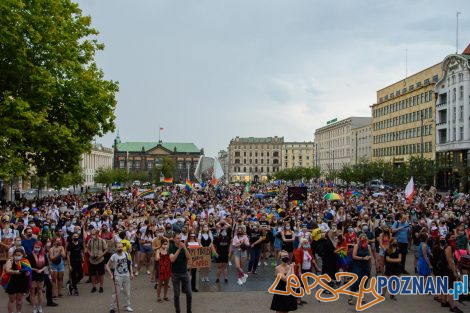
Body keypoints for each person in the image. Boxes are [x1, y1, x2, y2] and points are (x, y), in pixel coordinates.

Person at [106, 242, 134, 313]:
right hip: (117, 277)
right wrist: (111, 275)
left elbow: (130, 264)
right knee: (116, 293)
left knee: (127, 292)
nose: (120, 248)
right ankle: (112, 307)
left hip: (126, 275)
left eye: (121, 247)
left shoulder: (126, 254)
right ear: (116, 248)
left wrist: (131, 273)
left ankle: (127, 305)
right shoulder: (114, 256)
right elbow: (107, 266)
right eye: (118, 247)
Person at [169, 233, 192, 313]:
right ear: (174, 239)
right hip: (175, 274)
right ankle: (177, 311)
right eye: (178, 238)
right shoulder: (171, 247)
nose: (179, 240)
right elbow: (172, 260)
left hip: (184, 273)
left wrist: (184, 248)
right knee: (177, 294)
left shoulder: (184, 247)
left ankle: (189, 310)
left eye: (180, 238)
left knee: (189, 293)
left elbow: (189, 258)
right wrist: (179, 249)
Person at [4, 248, 31, 313]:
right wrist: (16, 271)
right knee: (12, 300)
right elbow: (7, 270)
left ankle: (19, 311)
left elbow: (29, 270)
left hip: (22, 282)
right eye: (16, 255)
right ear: (13, 255)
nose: (17, 256)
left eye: (19, 255)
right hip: (12, 282)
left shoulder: (25, 261)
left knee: (19, 300)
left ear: (22, 255)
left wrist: (28, 273)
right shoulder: (10, 261)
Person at [348, 234, 372, 305]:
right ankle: (351, 296)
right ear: (359, 239)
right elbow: (354, 256)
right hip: (357, 265)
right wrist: (362, 258)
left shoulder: (368, 246)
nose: (363, 240)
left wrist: (369, 263)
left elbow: (370, 256)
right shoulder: (356, 246)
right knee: (356, 280)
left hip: (365, 266)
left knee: (364, 281)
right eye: (362, 238)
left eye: (365, 238)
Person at [28, 242, 49, 313]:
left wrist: (41, 270)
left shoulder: (43, 255)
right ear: (33, 247)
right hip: (32, 274)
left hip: (40, 274)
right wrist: (35, 269)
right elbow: (27, 266)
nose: (37, 248)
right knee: (32, 292)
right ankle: (34, 307)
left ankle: (40, 306)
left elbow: (46, 265)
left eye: (38, 247)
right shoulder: (30, 255)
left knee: (40, 291)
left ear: (40, 248)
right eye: (35, 247)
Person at [87, 229, 108, 293]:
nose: (92, 235)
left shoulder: (102, 241)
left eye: (93, 234)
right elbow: (88, 248)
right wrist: (90, 254)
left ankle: (101, 287)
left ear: (97, 234)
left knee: (101, 274)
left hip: (100, 259)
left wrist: (101, 255)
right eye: (91, 234)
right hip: (92, 260)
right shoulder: (90, 240)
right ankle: (94, 287)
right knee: (92, 274)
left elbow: (106, 249)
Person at [156, 238, 171, 303]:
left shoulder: (168, 250)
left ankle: (165, 296)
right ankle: (158, 297)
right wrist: (158, 257)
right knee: (160, 284)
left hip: (167, 268)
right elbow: (156, 258)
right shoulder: (158, 250)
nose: (165, 245)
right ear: (161, 244)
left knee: (166, 284)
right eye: (164, 244)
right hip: (161, 269)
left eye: (166, 244)